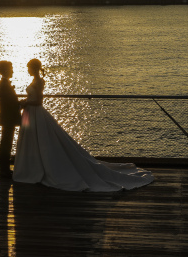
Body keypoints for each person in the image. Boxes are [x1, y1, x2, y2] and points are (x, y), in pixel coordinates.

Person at [13, 58, 154, 192]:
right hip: (31, 114)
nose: (28, 70)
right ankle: (34, 167)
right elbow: (33, 98)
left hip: (35, 112)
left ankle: (40, 169)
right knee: (34, 142)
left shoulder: (39, 82)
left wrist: (25, 103)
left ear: (34, 68)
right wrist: (26, 102)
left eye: (29, 68)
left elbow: (38, 101)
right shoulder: (35, 80)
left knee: (42, 141)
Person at [0, 60, 21, 178]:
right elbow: (10, 103)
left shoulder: (4, 84)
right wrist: (22, 104)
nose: (13, 71)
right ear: (6, 70)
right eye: (11, 69)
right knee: (6, 143)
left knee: (6, 143)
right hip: (8, 117)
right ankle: (4, 169)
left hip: (7, 117)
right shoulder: (4, 85)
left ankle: (4, 168)